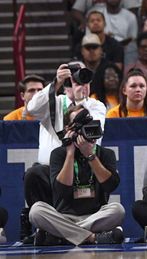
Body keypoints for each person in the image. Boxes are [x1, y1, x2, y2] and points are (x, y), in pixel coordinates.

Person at [19, 63, 107, 241]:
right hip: (51, 171)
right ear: (67, 87)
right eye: (77, 82)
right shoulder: (54, 102)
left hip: (82, 170)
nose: (83, 85)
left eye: (86, 81)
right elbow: (32, 108)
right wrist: (56, 82)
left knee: (115, 207)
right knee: (32, 174)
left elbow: (93, 134)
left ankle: (55, 231)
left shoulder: (96, 106)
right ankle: (82, 234)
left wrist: (81, 103)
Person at [29, 104, 125, 246]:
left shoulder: (105, 153)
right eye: (81, 125)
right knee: (36, 211)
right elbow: (61, 190)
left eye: (89, 124)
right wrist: (70, 153)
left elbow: (110, 185)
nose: (86, 129)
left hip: (94, 216)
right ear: (69, 129)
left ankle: (60, 236)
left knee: (118, 210)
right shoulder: (58, 154)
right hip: (63, 217)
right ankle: (92, 238)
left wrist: (90, 155)